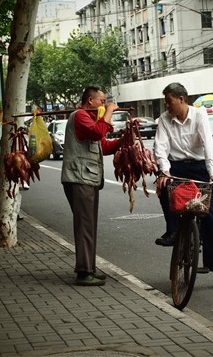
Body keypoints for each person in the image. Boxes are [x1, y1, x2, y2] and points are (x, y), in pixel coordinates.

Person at [153, 82, 213, 289]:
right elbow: (161, 148)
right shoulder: (165, 120)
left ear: (181, 99)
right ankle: (173, 231)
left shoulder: (200, 115)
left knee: (211, 222)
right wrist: (165, 172)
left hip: (200, 168)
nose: (167, 106)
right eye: (166, 102)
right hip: (176, 169)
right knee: (164, 187)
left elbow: (208, 146)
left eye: (169, 101)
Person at [61, 86, 122, 286]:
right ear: (90, 101)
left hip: (88, 179)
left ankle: (89, 267)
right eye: (102, 101)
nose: (104, 105)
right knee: (85, 226)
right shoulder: (80, 116)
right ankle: (84, 271)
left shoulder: (90, 119)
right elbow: (98, 133)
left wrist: (123, 140)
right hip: (79, 179)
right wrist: (111, 111)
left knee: (89, 225)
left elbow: (102, 145)